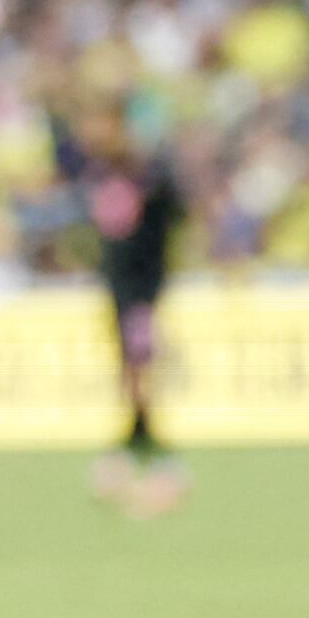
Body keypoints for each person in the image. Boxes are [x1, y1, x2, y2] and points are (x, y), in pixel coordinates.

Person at [64, 92, 189, 515]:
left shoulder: (147, 176)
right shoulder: (101, 172)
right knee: (128, 372)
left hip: (140, 292)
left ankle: (151, 454)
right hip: (118, 291)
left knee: (139, 374)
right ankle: (136, 451)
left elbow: (170, 224)